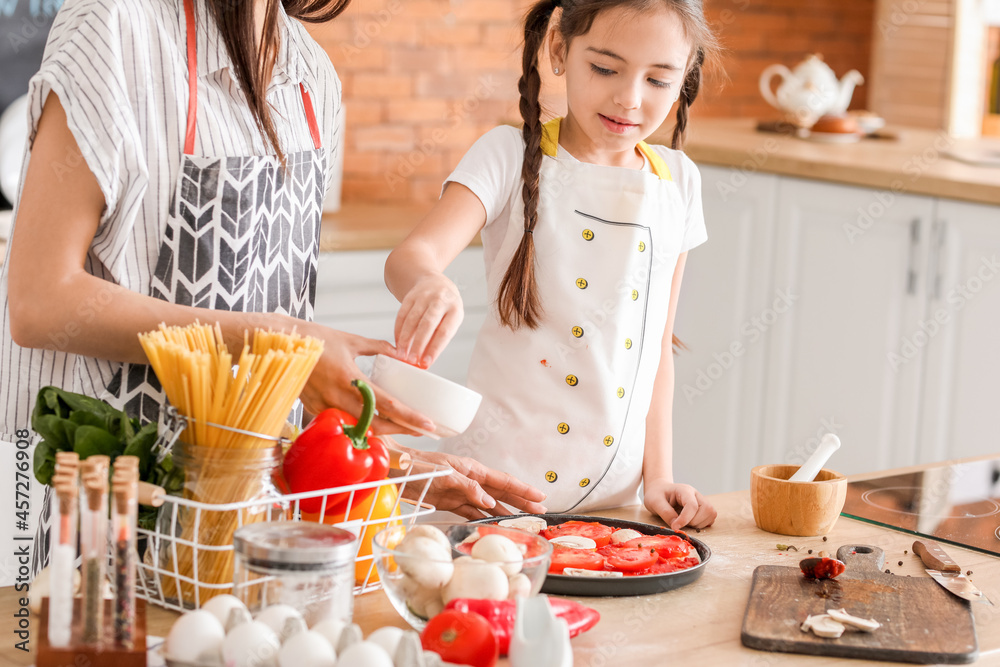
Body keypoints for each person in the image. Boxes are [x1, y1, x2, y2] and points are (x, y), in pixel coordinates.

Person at [0, 0, 542, 574]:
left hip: (222, 538)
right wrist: (281, 343)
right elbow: (41, 300)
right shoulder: (113, 29)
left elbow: (266, 396)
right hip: (77, 524)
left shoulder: (311, 80)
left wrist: (392, 464)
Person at [386, 0, 719, 529]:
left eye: (658, 80)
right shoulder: (506, 154)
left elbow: (657, 348)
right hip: (494, 493)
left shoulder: (680, 181)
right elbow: (411, 256)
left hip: (616, 508)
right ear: (561, 49)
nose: (629, 99)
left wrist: (659, 477)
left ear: (686, 77)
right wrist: (429, 283)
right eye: (605, 69)